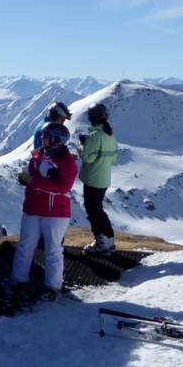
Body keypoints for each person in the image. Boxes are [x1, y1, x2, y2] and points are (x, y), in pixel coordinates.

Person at [11, 122, 78, 300]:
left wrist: (33, 182)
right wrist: (25, 176)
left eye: (46, 136)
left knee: (53, 249)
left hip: (55, 212)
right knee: (25, 245)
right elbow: (31, 171)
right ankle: (18, 280)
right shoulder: (38, 154)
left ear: (56, 139)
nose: (42, 139)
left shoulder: (67, 161)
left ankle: (53, 287)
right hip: (33, 208)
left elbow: (63, 187)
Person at [79, 103, 119, 254]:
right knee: (97, 209)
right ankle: (108, 240)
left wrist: (82, 145)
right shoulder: (110, 135)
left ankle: (102, 241)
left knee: (93, 211)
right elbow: (114, 157)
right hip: (103, 179)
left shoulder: (95, 136)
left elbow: (87, 158)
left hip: (93, 179)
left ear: (91, 118)